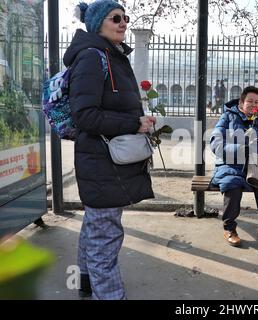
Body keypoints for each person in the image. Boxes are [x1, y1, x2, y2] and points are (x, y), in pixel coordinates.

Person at [63, 0, 156, 300]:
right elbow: (85, 115)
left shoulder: (109, 55)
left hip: (105, 162)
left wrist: (138, 120)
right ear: (97, 24)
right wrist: (134, 123)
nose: (123, 23)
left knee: (96, 226)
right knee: (106, 239)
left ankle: (85, 283)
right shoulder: (93, 57)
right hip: (102, 164)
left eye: (125, 18)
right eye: (115, 18)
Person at [210, 86, 258, 247]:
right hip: (232, 165)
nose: (253, 104)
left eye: (256, 102)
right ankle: (229, 228)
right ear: (241, 102)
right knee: (232, 185)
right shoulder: (227, 118)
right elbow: (215, 144)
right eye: (250, 101)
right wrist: (240, 149)